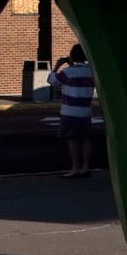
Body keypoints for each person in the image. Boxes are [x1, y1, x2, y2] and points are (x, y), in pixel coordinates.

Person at [55, 44, 96, 178]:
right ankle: (86, 167)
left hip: (69, 112)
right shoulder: (92, 71)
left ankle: (75, 168)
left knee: (72, 139)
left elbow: (52, 80)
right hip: (85, 111)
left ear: (72, 56)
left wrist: (57, 66)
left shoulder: (68, 71)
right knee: (86, 139)